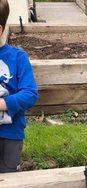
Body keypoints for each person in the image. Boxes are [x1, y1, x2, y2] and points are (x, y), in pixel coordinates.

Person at [0, 0, 38, 173]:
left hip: (10, 135)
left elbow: (30, 94)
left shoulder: (17, 58)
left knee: (8, 180)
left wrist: (2, 104)